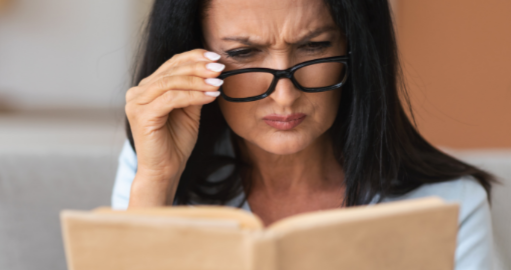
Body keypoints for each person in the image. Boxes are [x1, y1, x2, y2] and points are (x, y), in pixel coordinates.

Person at [112, 0, 496, 268]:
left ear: (355, 48)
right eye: (244, 54)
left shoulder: (450, 204)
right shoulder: (153, 170)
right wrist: (157, 181)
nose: (284, 95)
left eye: (313, 47)